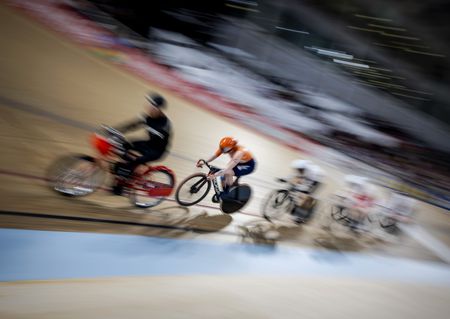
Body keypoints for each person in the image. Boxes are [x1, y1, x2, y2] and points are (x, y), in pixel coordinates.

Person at [112, 93, 171, 195]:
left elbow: (157, 138)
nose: (149, 108)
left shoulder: (165, 124)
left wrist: (140, 160)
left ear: (159, 109)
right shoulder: (148, 117)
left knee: (134, 160)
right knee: (124, 145)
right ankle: (126, 171)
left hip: (157, 151)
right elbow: (132, 125)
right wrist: (115, 130)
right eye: (149, 105)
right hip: (149, 144)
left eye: (152, 107)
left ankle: (122, 184)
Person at [197, 136, 256, 202]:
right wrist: (205, 162)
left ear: (232, 147)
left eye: (224, 149)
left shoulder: (239, 152)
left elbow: (227, 170)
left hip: (248, 165)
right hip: (239, 161)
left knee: (228, 172)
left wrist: (214, 176)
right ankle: (228, 187)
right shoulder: (226, 147)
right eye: (221, 148)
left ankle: (228, 193)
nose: (222, 151)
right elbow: (215, 155)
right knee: (223, 176)